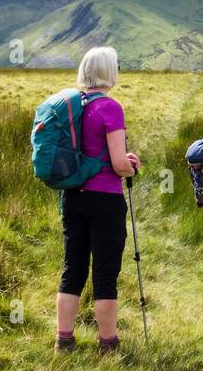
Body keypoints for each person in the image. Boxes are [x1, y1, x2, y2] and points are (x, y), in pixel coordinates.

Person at [55, 46, 141, 354]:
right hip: (104, 199)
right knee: (105, 271)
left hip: (72, 196)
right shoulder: (110, 108)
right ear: (109, 71)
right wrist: (131, 165)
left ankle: (64, 339)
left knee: (72, 267)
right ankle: (108, 342)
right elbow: (119, 164)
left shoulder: (73, 105)